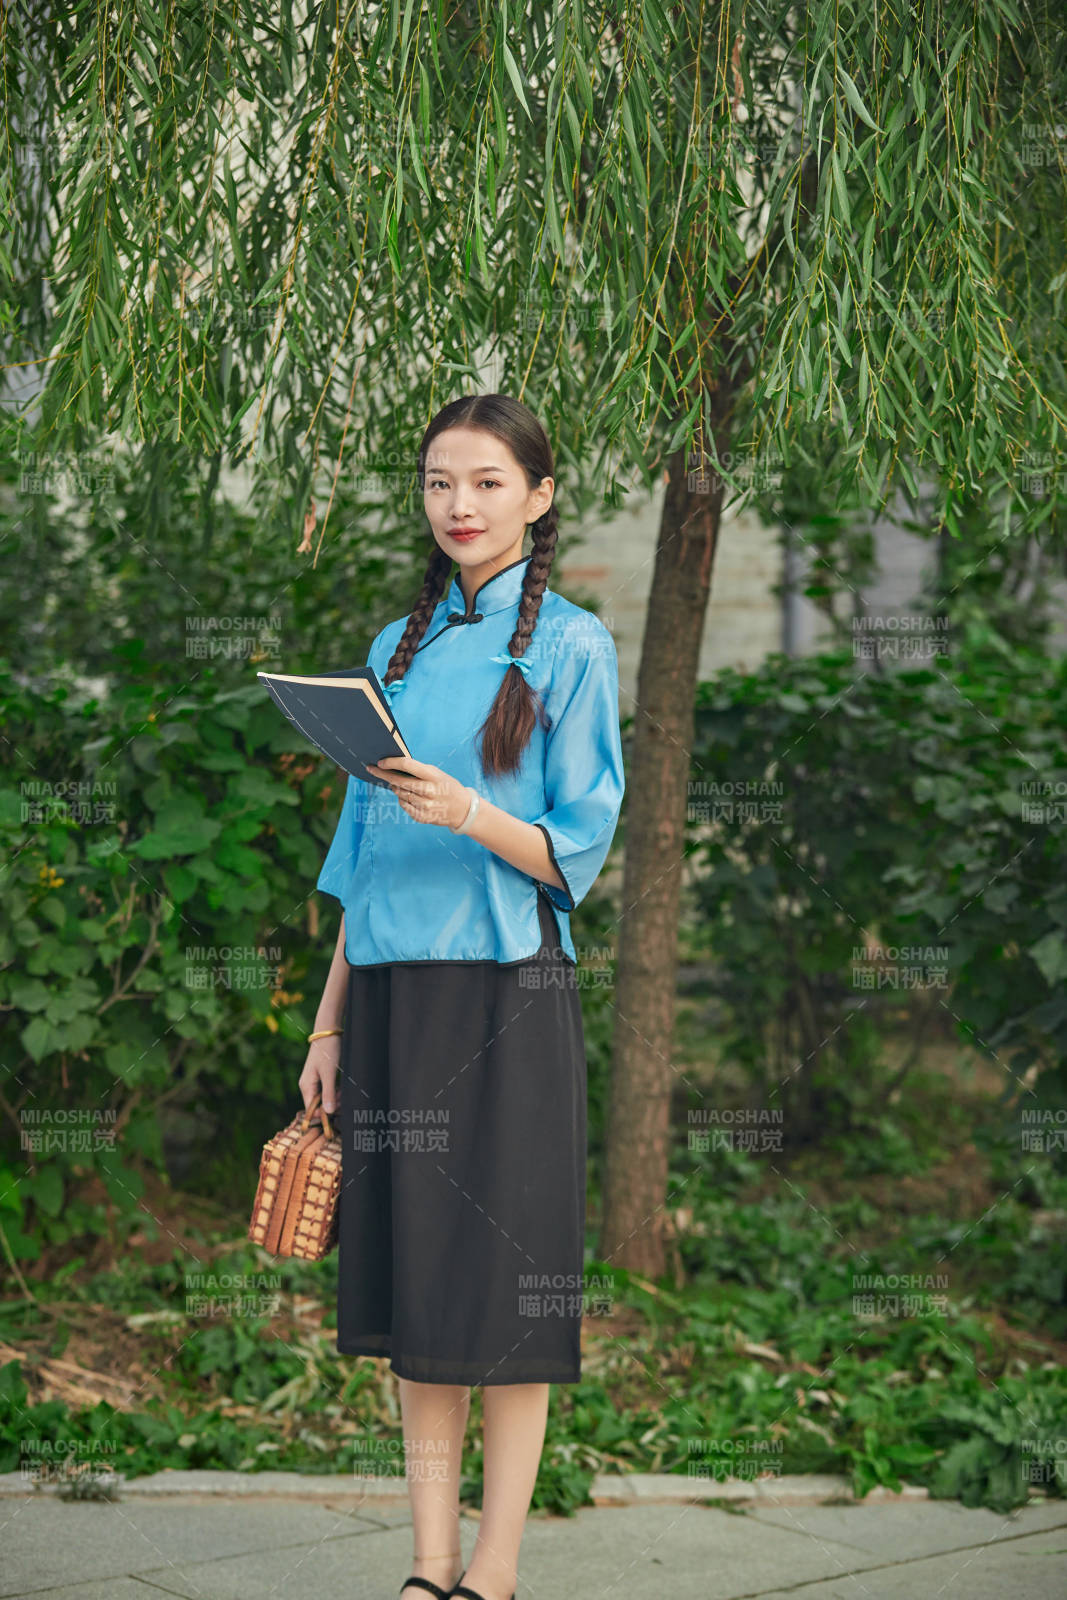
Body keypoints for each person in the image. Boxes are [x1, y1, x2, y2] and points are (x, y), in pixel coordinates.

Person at [302, 393, 626, 1600]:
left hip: (504, 998)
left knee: (504, 1296)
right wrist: (330, 1023)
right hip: (388, 1001)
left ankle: (492, 1575)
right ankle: (428, 1571)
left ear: (537, 497)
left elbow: (577, 850)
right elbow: (358, 867)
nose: (459, 506)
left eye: (487, 482)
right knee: (415, 1287)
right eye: (440, 481)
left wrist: (471, 813)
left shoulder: (574, 644)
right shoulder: (395, 645)